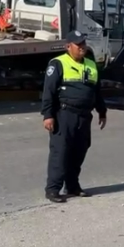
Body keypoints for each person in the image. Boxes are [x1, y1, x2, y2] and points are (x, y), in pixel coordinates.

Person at [41, 31, 107, 203]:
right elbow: (48, 91)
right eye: (78, 45)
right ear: (68, 46)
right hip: (64, 114)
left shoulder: (91, 65)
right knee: (60, 152)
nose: (82, 47)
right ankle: (53, 189)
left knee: (79, 151)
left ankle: (72, 186)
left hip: (84, 116)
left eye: (83, 44)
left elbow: (96, 91)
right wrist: (48, 115)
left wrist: (102, 111)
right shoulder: (58, 64)